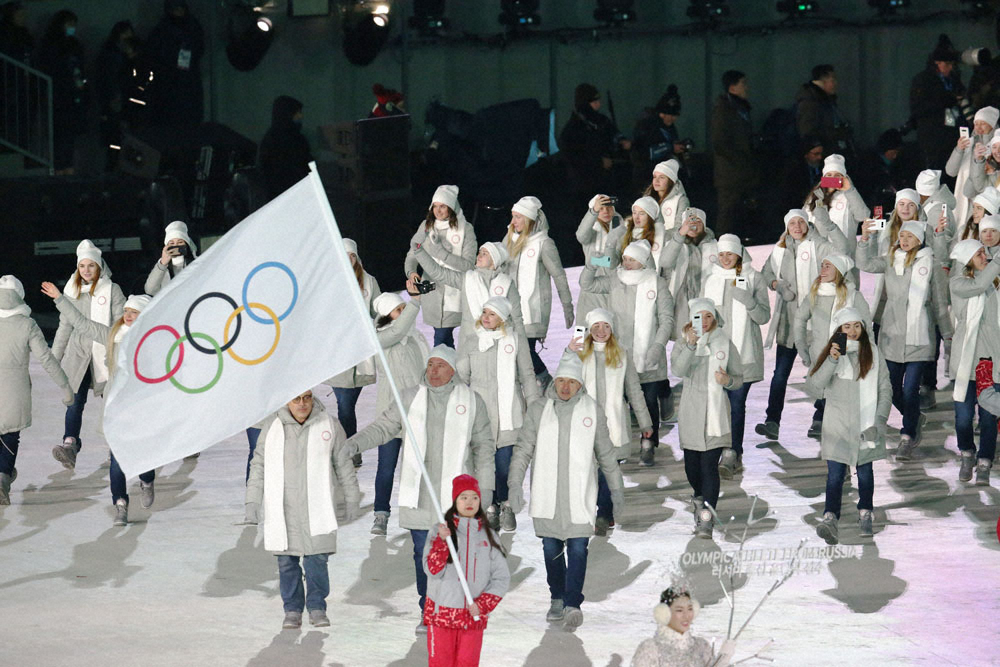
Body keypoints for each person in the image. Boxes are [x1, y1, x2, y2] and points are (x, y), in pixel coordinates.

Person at [346, 346, 495, 634]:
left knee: (454, 556)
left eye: (440, 366)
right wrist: (353, 444)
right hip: (419, 493)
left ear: (452, 370)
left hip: (455, 497)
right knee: (423, 556)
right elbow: (383, 428)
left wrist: (485, 491)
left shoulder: (471, 401)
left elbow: (484, 449)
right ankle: (428, 610)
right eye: (430, 365)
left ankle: (453, 608)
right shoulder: (410, 397)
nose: (434, 371)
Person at [507, 351, 625, 630]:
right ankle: (557, 597)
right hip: (547, 495)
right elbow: (523, 450)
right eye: (561, 380)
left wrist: (617, 490)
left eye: (571, 382)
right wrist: (514, 483)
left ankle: (572, 603)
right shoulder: (539, 409)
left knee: (578, 549)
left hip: (579, 495)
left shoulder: (591, 410)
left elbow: (606, 454)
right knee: (551, 549)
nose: (565, 387)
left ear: (580, 385)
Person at [244, 389, 361, 630]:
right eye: (296, 399)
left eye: (307, 397)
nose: (302, 404)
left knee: (316, 561)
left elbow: (343, 464)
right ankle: (292, 609)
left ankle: (317, 607)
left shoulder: (329, 425)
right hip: (283, 509)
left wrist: (352, 497)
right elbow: (258, 465)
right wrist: (252, 501)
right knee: (287, 563)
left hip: (317, 508)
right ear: (287, 401)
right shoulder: (272, 427)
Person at [43, 284, 155, 525]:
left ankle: (147, 480)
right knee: (117, 459)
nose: (127, 315)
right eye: (126, 311)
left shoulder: (153, 341)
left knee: (142, 455)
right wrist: (60, 299)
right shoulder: (112, 335)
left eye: (134, 312)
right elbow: (82, 323)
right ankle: (120, 505)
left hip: (142, 410)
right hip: (116, 410)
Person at [856, 220, 952, 460]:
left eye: (910, 236)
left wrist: (948, 335)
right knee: (890, 388)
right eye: (902, 236)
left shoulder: (931, 264)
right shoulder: (891, 260)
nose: (904, 240)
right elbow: (865, 263)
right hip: (892, 334)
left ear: (919, 240)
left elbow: (940, 304)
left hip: (919, 336)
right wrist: (865, 238)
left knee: (910, 390)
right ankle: (914, 417)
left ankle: (907, 436)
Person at [756, 209, 850, 441]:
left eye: (801, 222)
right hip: (789, 323)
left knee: (821, 371)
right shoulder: (780, 250)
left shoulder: (818, 245)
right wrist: (776, 284)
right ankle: (772, 421)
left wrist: (828, 226)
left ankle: (820, 417)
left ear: (807, 224)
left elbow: (841, 251)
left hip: (816, 321)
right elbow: (766, 272)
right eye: (792, 223)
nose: (797, 227)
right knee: (780, 375)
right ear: (787, 227)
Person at [580, 240, 673, 464]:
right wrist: (592, 263)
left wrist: (657, 346)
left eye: (632, 259)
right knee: (617, 401)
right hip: (617, 352)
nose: (627, 263)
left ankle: (648, 442)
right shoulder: (615, 278)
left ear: (642, 261)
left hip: (648, 353)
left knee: (648, 400)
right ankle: (615, 444)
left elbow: (666, 319)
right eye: (625, 259)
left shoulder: (657, 283)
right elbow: (587, 284)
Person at [806, 308, 891, 545]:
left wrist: (879, 421)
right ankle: (830, 517)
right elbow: (815, 386)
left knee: (865, 474)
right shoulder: (831, 354)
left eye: (856, 326)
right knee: (835, 476)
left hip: (866, 425)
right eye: (847, 327)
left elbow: (885, 388)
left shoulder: (873, 353)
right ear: (838, 330)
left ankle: (866, 512)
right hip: (838, 426)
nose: (852, 331)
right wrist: (832, 360)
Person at [456, 297, 539, 533]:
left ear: (502, 318)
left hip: (509, 413)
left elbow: (527, 375)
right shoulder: (472, 340)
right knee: (484, 466)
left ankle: (507, 505)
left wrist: (534, 407)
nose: (486, 317)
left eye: (492, 314)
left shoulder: (515, 340)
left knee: (505, 466)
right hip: (480, 414)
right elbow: (461, 377)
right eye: (484, 312)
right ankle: (490, 507)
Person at [568, 308, 652, 534]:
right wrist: (569, 352)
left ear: (612, 329)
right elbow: (563, 385)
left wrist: (645, 422)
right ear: (589, 329)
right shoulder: (579, 354)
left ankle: (604, 514)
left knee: (606, 469)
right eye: (596, 326)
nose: (601, 331)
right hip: (585, 422)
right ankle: (600, 510)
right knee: (590, 471)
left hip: (614, 423)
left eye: (605, 326)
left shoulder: (622, 354)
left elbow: (634, 390)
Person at [670, 298, 743, 540]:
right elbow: (678, 371)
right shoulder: (683, 342)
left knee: (709, 467)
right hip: (691, 412)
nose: (704, 321)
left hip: (716, 414)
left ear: (715, 318)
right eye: (699, 316)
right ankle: (699, 498)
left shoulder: (725, 342)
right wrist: (691, 346)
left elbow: (738, 378)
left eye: (709, 316)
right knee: (692, 467)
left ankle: (706, 519)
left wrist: (728, 381)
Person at [51, 241, 126, 471]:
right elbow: (65, 326)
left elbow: (120, 323)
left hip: (105, 353)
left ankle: (117, 446)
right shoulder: (70, 292)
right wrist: (55, 357)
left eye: (91, 265)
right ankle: (70, 444)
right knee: (75, 401)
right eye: (82, 266)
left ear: (99, 266)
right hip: (79, 354)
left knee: (111, 403)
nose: (86, 270)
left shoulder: (112, 290)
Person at [423, 474, 510, 667]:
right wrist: (441, 543)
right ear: (455, 500)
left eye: (474, 497)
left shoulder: (489, 536)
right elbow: (432, 570)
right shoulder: (440, 531)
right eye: (464, 497)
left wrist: (483, 605)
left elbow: (502, 578)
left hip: (473, 617)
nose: (469, 502)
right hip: (442, 617)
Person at [0, 275, 73, 505]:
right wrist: (65, 386)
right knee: (10, 434)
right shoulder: (27, 324)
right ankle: (3, 476)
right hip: (15, 388)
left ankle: (3, 474)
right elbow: (46, 359)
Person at [700, 234, 768, 477]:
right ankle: (716, 449)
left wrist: (749, 302)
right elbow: (699, 313)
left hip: (743, 355)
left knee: (736, 405)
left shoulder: (753, 278)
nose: (725, 258)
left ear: (739, 254)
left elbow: (763, 317)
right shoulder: (710, 278)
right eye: (721, 254)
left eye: (729, 253)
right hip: (714, 354)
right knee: (716, 404)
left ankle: (732, 452)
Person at [369, 290, 430, 536]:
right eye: (399, 310)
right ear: (387, 315)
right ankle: (381, 513)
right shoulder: (381, 338)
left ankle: (417, 511)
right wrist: (415, 301)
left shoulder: (415, 337)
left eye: (404, 309)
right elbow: (397, 332)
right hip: (390, 413)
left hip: (416, 412)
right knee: (386, 466)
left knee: (416, 466)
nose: (404, 314)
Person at [793, 253, 872, 439]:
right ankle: (821, 418)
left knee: (839, 392)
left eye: (828, 266)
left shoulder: (853, 296)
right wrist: (802, 346)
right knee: (823, 388)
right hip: (820, 353)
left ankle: (827, 422)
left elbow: (866, 326)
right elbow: (799, 319)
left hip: (848, 356)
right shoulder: (815, 294)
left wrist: (869, 353)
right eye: (822, 265)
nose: (823, 269)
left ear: (839, 271)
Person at [503, 196, 574, 384]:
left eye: (518, 217)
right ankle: (533, 386)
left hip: (532, 310)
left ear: (529, 219)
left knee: (525, 351)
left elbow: (559, 275)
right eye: (513, 216)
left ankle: (547, 382)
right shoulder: (509, 240)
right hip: (510, 308)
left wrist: (567, 305)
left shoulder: (544, 243)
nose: (513, 221)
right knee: (517, 352)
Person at [411, 240, 526, 354]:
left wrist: (522, 350)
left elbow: (517, 319)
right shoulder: (468, 279)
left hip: (500, 347)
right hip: (470, 347)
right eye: (479, 252)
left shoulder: (507, 284)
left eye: (484, 254)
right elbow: (438, 272)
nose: (479, 256)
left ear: (494, 260)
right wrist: (419, 251)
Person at [325, 239, 380, 469]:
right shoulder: (329, 281)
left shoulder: (369, 281)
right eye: (344, 255)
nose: (348, 259)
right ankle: (350, 453)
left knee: (348, 407)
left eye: (352, 256)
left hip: (360, 355)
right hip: (338, 355)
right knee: (345, 408)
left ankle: (349, 450)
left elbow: (379, 311)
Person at [948, 240, 999, 485]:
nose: (984, 256)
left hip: (990, 358)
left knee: (989, 417)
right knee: (963, 418)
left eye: (984, 253)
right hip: (965, 362)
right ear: (967, 258)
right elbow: (978, 285)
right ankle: (967, 452)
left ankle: (985, 460)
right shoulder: (958, 282)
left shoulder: (994, 281)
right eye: (978, 253)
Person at [405, 185, 478, 348]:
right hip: (431, 293)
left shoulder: (466, 229)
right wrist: (411, 272)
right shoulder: (426, 227)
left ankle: (446, 363)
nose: (438, 211)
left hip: (454, 291)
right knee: (443, 339)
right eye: (435, 206)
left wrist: (441, 253)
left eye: (443, 206)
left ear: (451, 207)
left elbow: (468, 266)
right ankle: (450, 363)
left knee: (442, 338)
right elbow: (412, 255)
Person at [559, 83, 632, 202]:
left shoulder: (601, 120)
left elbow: (613, 133)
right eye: (594, 102)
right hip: (583, 186)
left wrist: (622, 141)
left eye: (598, 101)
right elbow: (573, 156)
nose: (598, 104)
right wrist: (598, 162)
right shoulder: (573, 129)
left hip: (606, 181)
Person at [631, 584, 733, 667]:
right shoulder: (650, 649)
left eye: (690, 609)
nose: (686, 616)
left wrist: (723, 659)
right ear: (664, 613)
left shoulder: (702, 646)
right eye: (679, 610)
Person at [36, 10, 86, 174]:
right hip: (59, 94)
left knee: (68, 133)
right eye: (69, 24)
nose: (72, 27)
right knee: (60, 133)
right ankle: (60, 166)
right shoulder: (53, 45)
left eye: (74, 24)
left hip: (71, 94)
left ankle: (66, 165)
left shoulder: (74, 45)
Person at [145, 0, 205, 129]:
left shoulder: (191, 27)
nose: (179, 11)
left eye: (180, 7)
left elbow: (199, 49)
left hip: (186, 82)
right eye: (176, 8)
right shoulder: (163, 30)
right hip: (170, 82)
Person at [711, 70, 757, 237]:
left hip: (743, 172)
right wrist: (739, 160)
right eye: (743, 83)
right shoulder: (723, 110)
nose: (746, 87)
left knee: (741, 213)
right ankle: (722, 247)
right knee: (727, 214)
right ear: (732, 88)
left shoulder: (741, 108)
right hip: (730, 175)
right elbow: (719, 142)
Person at [909, 36, 965, 169]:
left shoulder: (953, 79)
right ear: (937, 63)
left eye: (952, 64)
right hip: (933, 137)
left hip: (952, 134)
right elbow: (918, 108)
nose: (950, 68)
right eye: (947, 64)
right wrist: (944, 101)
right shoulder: (923, 80)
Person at [803, 153, 870, 262]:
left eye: (837, 175)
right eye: (829, 175)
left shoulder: (850, 196)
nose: (833, 178)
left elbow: (863, 216)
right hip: (818, 255)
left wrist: (849, 190)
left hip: (845, 256)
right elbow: (804, 220)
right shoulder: (814, 197)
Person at [95, 21, 142, 170]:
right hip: (120, 105)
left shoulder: (114, 55)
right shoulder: (114, 57)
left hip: (123, 105)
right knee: (118, 143)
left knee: (118, 144)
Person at [574, 193, 623, 325]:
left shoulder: (622, 230)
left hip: (613, 287)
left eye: (608, 207)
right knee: (583, 327)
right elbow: (580, 235)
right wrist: (593, 211)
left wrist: (594, 261)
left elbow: (612, 262)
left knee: (611, 328)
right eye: (601, 208)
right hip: (591, 285)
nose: (605, 211)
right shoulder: (591, 231)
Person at [945, 106, 997, 225]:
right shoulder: (969, 143)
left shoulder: (996, 148)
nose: (978, 128)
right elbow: (950, 171)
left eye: (983, 124)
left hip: (986, 201)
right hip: (965, 199)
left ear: (992, 125)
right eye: (976, 124)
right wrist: (959, 149)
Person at [631, 85, 687, 189]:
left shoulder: (670, 127)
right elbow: (644, 153)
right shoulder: (647, 126)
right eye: (671, 115)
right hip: (647, 177)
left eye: (675, 116)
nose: (673, 119)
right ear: (662, 114)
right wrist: (670, 147)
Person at [259, 95, 313, 200]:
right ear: (288, 113)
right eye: (297, 112)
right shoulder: (294, 139)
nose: (300, 116)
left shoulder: (270, 138)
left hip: (277, 196)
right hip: (294, 194)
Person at [795, 64, 851, 157]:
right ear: (823, 81)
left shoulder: (825, 100)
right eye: (832, 80)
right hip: (823, 155)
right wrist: (837, 133)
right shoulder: (811, 102)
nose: (835, 83)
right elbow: (808, 132)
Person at [605, 196, 668, 274]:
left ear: (650, 217)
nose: (636, 217)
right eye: (634, 213)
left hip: (649, 280)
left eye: (641, 214)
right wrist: (610, 242)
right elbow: (611, 265)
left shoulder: (663, 237)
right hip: (626, 279)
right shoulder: (626, 235)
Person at [145, 220, 198, 296]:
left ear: (186, 244)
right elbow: (150, 290)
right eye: (172, 243)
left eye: (180, 242)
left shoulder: (196, 263)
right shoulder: (162, 267)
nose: (176, 246)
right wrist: (162, 264)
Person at [644, 159, 690, 231]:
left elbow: (680, 229)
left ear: (670, 181)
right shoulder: (647, 198)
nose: (656, 181)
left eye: (662, 177)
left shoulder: (681, 200)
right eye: (655, 177)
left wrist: (659, 234)